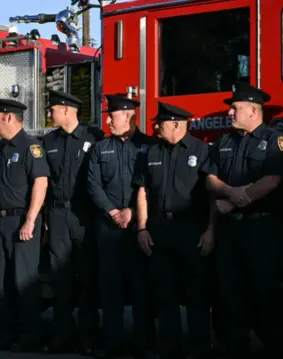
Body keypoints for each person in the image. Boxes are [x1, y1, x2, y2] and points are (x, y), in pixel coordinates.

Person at [203, 83, 283, 359]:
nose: (230, 111)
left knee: (265, 290)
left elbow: (272, 180)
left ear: (252, 110)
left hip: (262, 229)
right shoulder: (224, 142)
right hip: (229, 228)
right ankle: (235, 347)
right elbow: (210, 179)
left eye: (235, 107)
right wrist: (231, 193)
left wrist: (242, 197)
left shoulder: (275, 141)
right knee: (229, 291)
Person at [135, 102, 213, 359]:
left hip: (190, 227)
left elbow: (212, 195)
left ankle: (199, 347)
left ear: (177, 125)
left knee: (195, 292)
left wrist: (210, 230)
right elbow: (143, 191)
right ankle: (169, 346)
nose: (156, 126)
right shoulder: (152, 151)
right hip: (159, 228)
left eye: (162, 123)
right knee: (164, 291)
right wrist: (142, 227)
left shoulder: (201, 150)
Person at [87, 94, 156, 359]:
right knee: (110, 286)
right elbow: (93, 184)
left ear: (127, 116)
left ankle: (144, 343)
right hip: (109, 227)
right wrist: (114, 211)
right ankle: (112, 342)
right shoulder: (100, 148)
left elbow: (150, 184)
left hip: (139, 226)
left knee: (141, 286)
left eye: (112, 116)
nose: (107, 120)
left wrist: (131, 210)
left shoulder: (149, 146)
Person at [0, 98, 50, 352]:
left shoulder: (32, 147)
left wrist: (31, 220)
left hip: (22, 221)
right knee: (2, 283)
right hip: (1, 221)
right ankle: (7, 333)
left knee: (23, 282)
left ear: (9, 117)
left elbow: (40, 183)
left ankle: (29, 335)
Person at [40, 90, 103, 355]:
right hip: (57, 215)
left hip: (84, 215)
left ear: (66, 110)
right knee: (61, 279)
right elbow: (43, 181)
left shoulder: (94, 137)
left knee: (87, 277)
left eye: (53, 109)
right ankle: (62, 335)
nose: (50, 114)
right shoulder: (48, 141)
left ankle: (88, 337)